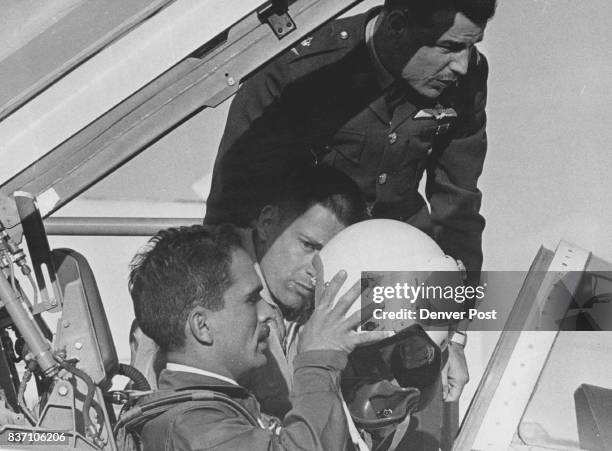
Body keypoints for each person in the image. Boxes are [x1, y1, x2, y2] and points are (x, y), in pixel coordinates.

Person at [128, 224, 390, 450]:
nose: (267, 313)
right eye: (252, 299)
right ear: (202, 325)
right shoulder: (195, 431)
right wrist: (318, 361)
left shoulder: (213, 412)